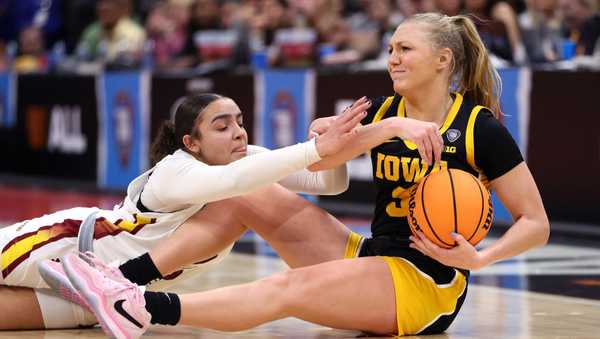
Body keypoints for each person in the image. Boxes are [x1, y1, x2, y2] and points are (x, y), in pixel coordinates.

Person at [52, 12, 550, 338]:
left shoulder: (477, 128)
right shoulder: (378, 111)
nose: (392, 58)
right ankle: (116, 277)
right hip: (370, 253)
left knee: (286, 288)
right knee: (247, 189)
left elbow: (535, 223)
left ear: (443, 60)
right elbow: (323, 168)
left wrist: (481, 259)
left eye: (405, 49)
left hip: (427, 283)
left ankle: (139, 306)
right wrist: (332, 137)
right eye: (391, 48)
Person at [0, 92, 371, 330]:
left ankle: (119, 287)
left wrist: (330, 149)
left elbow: (329, 185)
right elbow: (233, 184)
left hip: (100, 300)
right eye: (223, 126)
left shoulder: (246, 162)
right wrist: (314, 151)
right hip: (66, 245)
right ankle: (120, 279)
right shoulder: (174, 170)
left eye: (240, 122)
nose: (239, 133)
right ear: (191, 143)